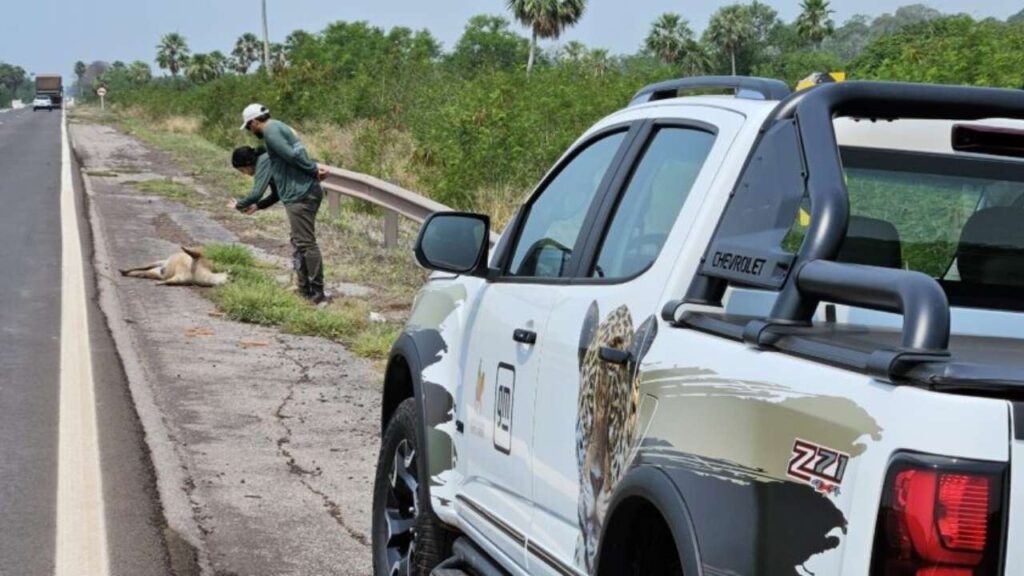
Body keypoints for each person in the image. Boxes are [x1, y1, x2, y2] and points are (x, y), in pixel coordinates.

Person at [235, 104, 329, 303]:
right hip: (301, 192)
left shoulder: (270, 131)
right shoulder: (279, 126)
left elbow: (292, 156)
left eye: (249, 127)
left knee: (305, 243)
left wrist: (312, 170)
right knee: (299, 242)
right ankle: (305, 289)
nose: (250, 132)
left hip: (300, 194)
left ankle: (317, 292)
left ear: (254, 122)